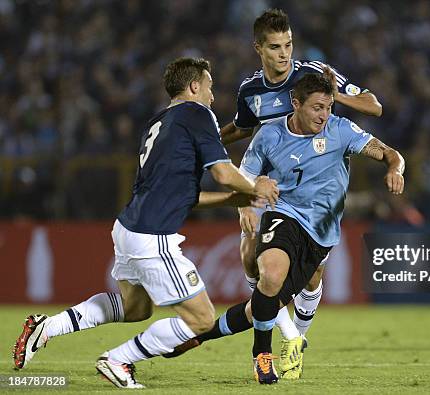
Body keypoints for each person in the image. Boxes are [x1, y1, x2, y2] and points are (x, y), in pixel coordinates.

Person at [12, 57, 279, 389]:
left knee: (134, 307)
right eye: (209, 87)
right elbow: (223, 173)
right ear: (194, 86)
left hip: (127, 227)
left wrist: (231, 201)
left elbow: (183, 195)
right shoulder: (197, 114)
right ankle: (118, 360)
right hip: (152, 237)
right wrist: (256, 187)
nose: (213, 96)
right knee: (201, 319)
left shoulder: (159, 122)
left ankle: (47, 327)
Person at [167, 72, 404, 384]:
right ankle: (262, 357)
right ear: (296, 104)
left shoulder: (341, 130)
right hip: (284, 212)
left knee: (265, 307)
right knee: (272, 273)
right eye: (318, 108)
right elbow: (246, 177)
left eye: (329, 107)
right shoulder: (269, 136)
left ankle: (204, 334)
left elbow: (389, 152)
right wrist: (246, 208)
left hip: (323, 228)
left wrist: (395, 168)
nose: (325, 115)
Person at [220, 8, 384, 379]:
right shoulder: (250, 90)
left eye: (289, 45)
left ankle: (298, 337)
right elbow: (243, 129)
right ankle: (274, 342)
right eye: (275, 47)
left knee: (311, 279)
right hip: (270, 189)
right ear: (258, 48)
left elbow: (374, 105)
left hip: (315, 192)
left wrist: (333, 93)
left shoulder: (313, 73)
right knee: (255, 262)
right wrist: (208, 139)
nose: (284, 53)